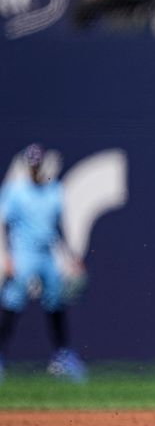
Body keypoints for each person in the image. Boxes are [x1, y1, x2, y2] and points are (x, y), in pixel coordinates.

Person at [0, 144, 87, 383]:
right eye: (32, 164)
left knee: (56, 304)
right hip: (23, 253)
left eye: (38, 163)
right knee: (12, 304)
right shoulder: (15, 191)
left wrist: (71, 256)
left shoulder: (54, 191)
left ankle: (63, 357)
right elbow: (3, 223)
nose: (36, 168)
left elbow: (59, 228)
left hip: (48, 254)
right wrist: (6, 256)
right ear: (27, 166)